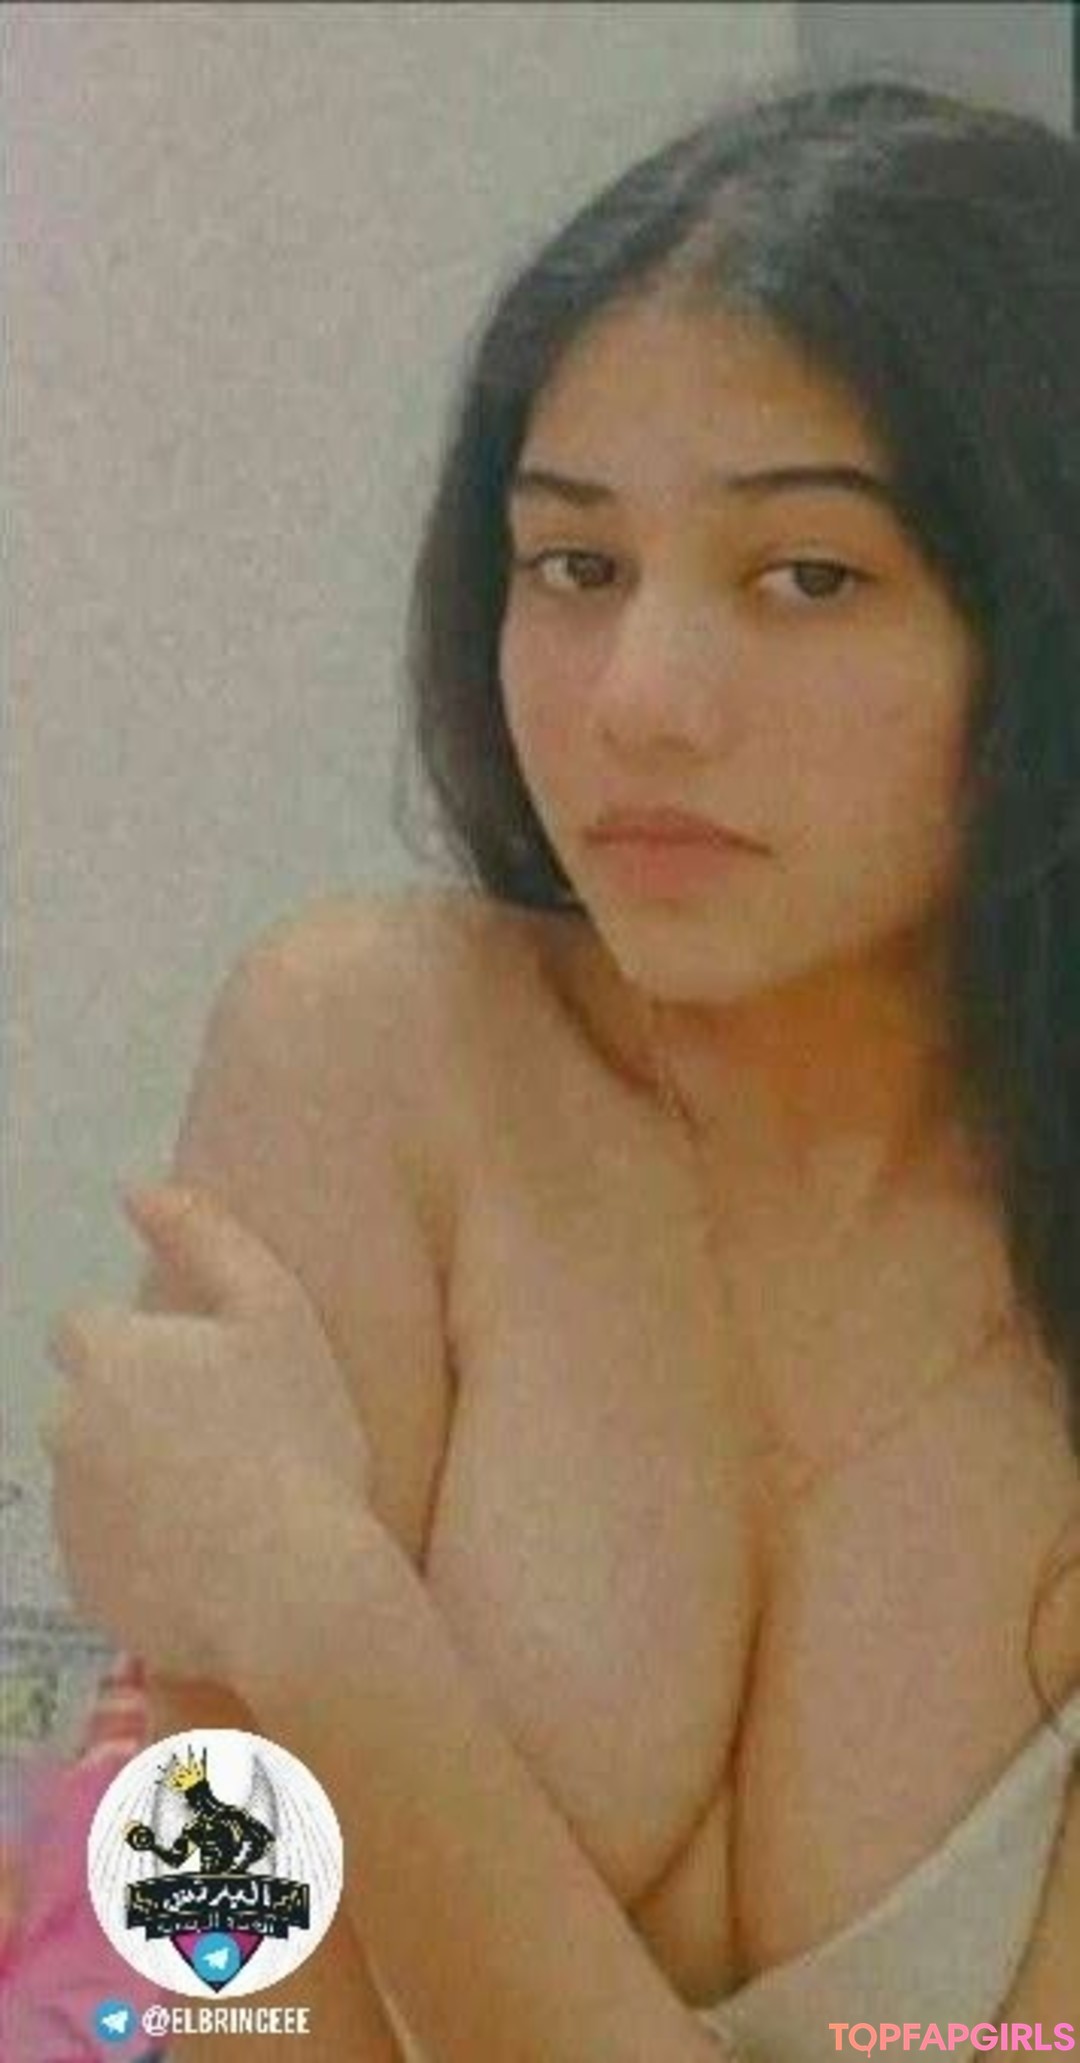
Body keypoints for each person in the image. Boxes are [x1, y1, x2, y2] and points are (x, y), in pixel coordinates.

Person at [44, 74, 1080, 2063]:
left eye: (808, 576)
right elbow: (215, 2007)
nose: (641, 702)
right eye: (575, 567)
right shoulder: (371, 1056)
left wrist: (319, 1604)